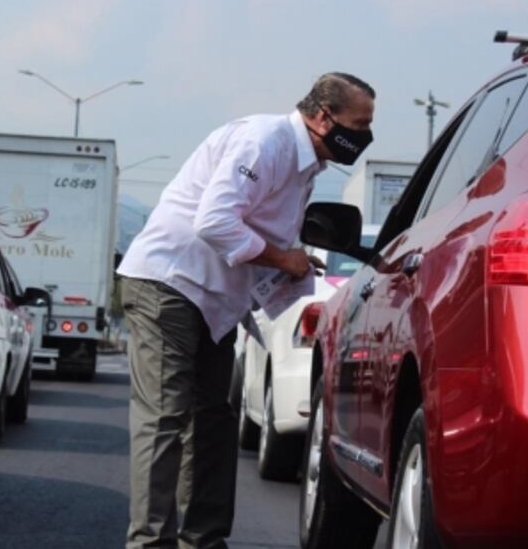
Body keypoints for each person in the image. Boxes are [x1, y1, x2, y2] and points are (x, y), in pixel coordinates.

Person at [118, 72, 376, 549]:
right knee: (166, 416)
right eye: (359, 125)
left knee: (214, 420)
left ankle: (203, 540)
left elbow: (258, 237)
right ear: (324, 117)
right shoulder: (265, 141)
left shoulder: (306, 167)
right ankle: (150, 543)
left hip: (215, 301)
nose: (365, 136)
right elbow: (214, 221)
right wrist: (283, 259)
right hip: (169, 283)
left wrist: (291, 267)